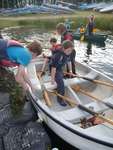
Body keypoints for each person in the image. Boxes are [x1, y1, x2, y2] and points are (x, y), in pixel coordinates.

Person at [50, 40, 74, 106]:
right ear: (63, 49)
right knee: (61, 82)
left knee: (62, 77)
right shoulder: (58, 55)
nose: (70, 52)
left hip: (60, 67)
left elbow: (69, 61)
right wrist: (52, 79)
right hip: (55, 69)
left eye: (71, 51)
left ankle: (58, 86)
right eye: (68, 50)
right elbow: (53, 68)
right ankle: (60, 99)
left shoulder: (68, 53)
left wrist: (70, 71)